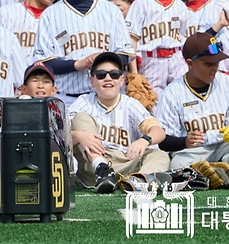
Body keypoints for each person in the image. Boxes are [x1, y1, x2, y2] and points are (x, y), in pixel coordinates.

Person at [32, 0, 135, 102]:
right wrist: (78, 64)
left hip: (109, 98)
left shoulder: (111, 10)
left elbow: (126, 54)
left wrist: (103, 59)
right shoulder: (50, 15)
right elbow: (45, 62)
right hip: (67, 98)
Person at [154, 32, 229, 170]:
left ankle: (213, 171)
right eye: (208, 63)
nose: (214, 68)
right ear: (190, 63)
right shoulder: (171, 93)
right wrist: (185, 141)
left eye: (216, 62)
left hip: (223, 149)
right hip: (192, 153)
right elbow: (164, 141)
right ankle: (227, 172)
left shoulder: (228, 83)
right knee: (177, 166)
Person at [69, 52, 168, 193]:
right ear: (92, 81)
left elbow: (159, 132)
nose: (108, 78)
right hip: (93, 163)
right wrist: (78, 136)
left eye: (114, 74)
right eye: (101, 75)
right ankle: (102, 169)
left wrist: (144, 140)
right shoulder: (83, 101)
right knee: (81, 117)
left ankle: (140, 180)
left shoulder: (130, 103)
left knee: (159, 155)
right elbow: (59, 135)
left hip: (125, 160)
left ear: (122, 80)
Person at [127, 0, 190, 92]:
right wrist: (134, 72)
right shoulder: (140, 4)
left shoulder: (181, 6)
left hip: (176, 59)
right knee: (153, 103)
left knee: (183, 97)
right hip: (151, 60)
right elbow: (131, 40)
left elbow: (184, 38)